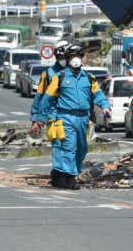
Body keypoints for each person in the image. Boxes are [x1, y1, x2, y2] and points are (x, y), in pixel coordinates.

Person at [34, 44, 112, 190]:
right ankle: (69, 178)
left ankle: (64, 175)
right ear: (67, 59)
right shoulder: (60, 77)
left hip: (83, 119)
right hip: (65, 117)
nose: (75, 59)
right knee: (69, 147)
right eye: (72, 56)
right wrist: (40, 118)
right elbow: (47, 98)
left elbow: (98, 94)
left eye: (78, 56)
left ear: (82, 58)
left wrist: (105, 106)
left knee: (82, 149)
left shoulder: (89, 78)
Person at [30, 43, 67, 187]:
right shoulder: (48, 74)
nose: (63, 59)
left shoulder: (77, 73)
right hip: (54, 115)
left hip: (72, 116)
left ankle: (68, 173)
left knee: (73, 147)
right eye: (60, 56)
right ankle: (58, 174)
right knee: (58, 145)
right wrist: (36, 119)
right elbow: (40, 97)